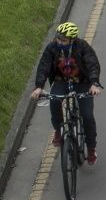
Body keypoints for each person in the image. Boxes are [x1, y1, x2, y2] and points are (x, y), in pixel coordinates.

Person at [31, 21, 101, 165]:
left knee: (87, 116)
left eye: (63, 39)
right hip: (61, 81)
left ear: (72, 39)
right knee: (55, 101)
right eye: (58, 38)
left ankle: (91, 147)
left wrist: (94, 83)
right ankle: (58, 129)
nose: (59, 41)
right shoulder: (52, 48)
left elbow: (92, 64)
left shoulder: (82, 47)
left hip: (82, 83)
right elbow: (44, 65)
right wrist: (39, 86)